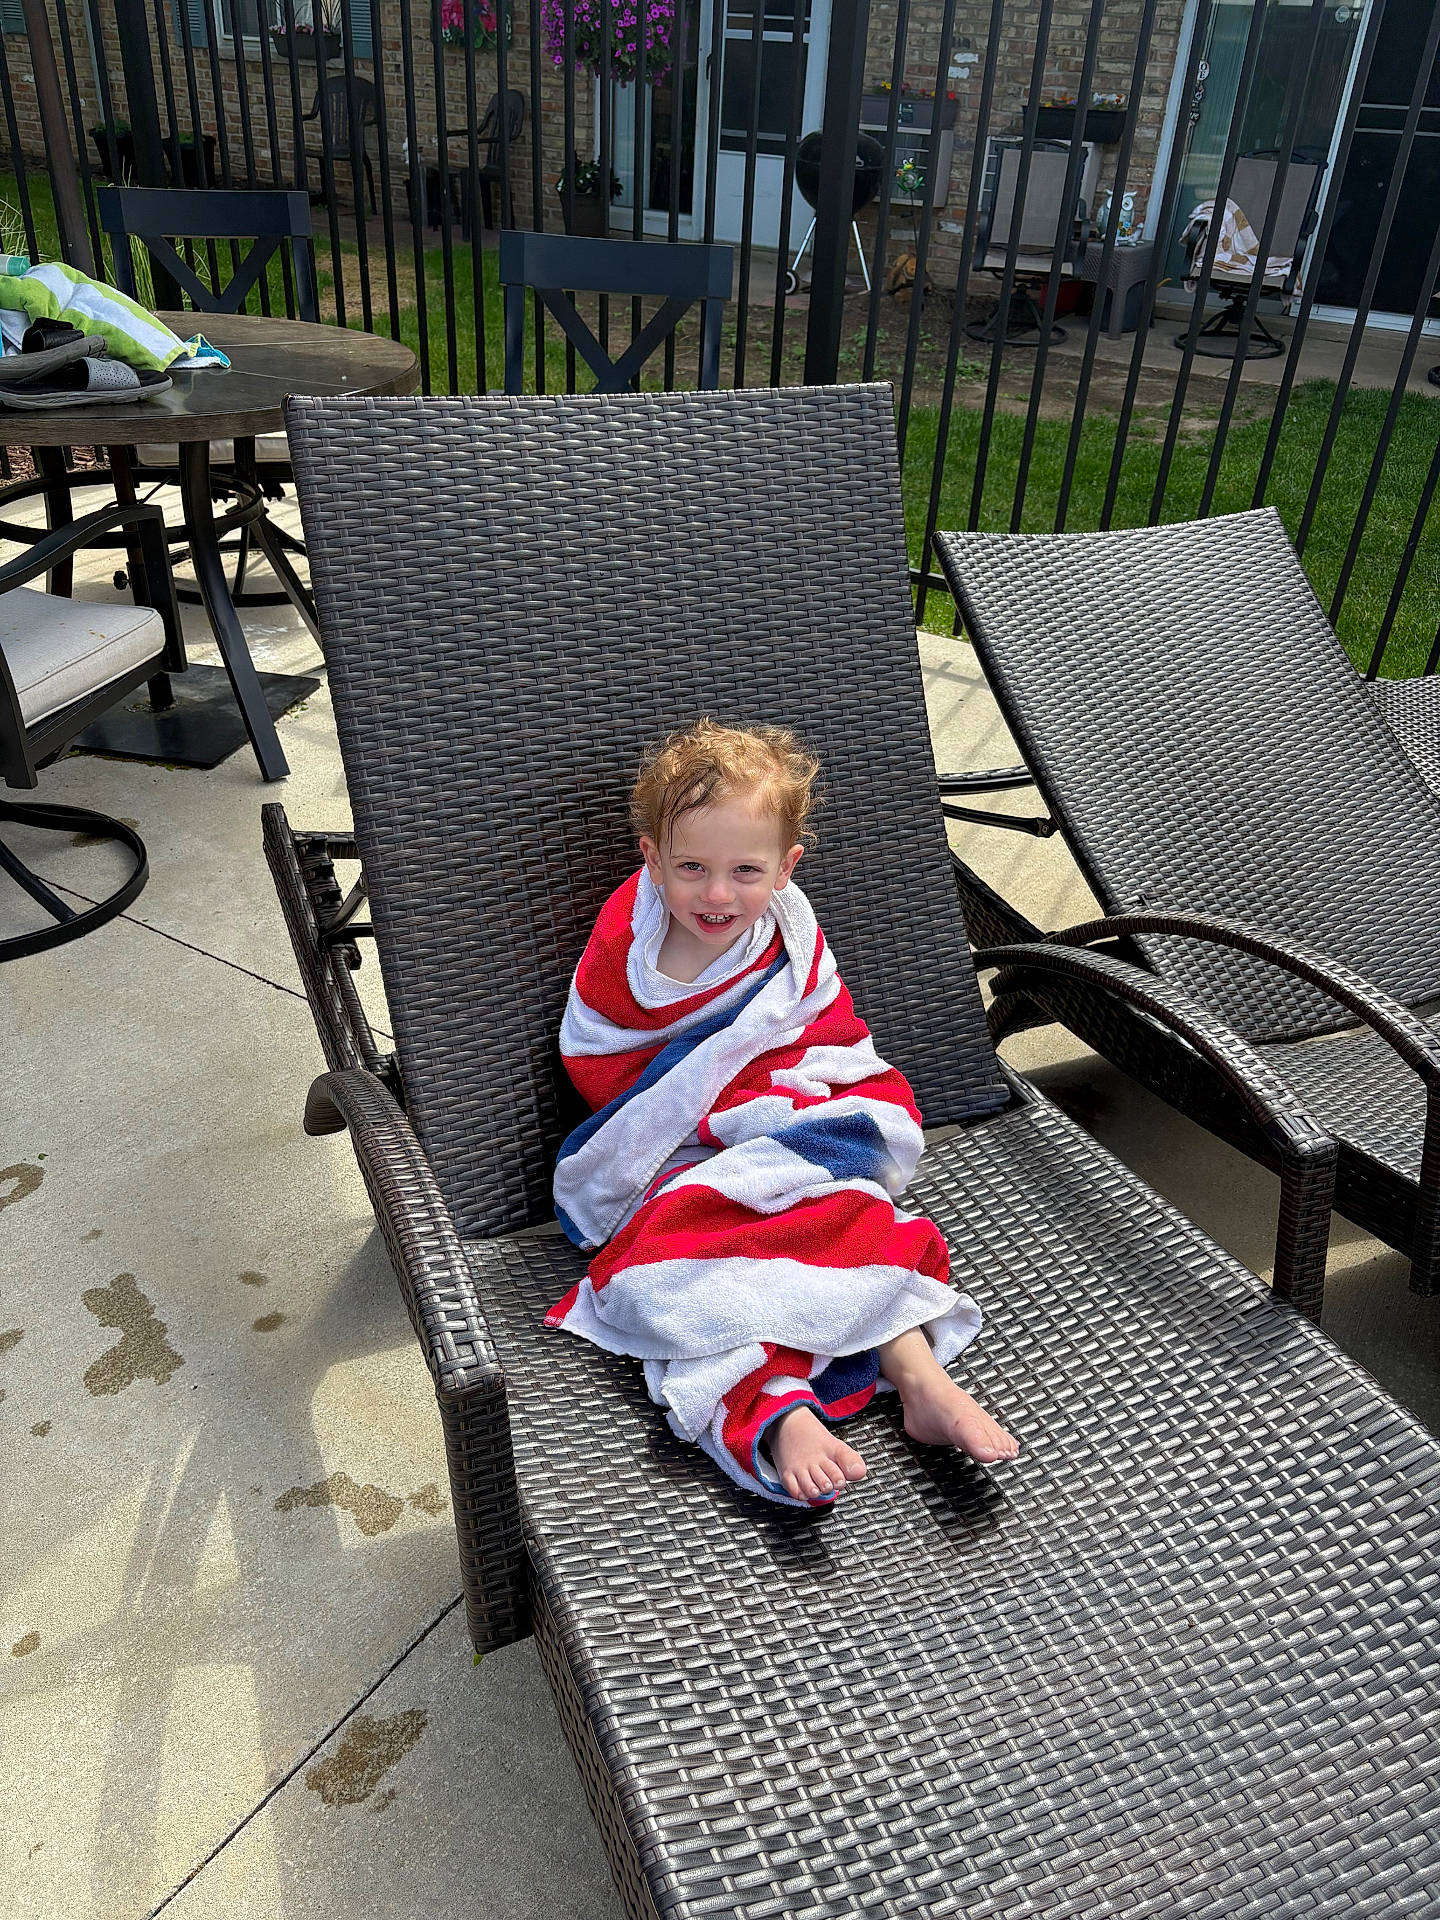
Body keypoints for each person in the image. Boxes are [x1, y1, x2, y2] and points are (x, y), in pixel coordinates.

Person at [548, 718, 1019, 1508]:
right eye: (691, 867)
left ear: (786, 868)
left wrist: (778, 1109)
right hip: (680, 1152)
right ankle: (779, 1408)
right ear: (652, 859)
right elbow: (606, 1061)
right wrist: (718, 1116)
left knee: (839, 1213)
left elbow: (822, 1033)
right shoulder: (628, 949)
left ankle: (918, 1377)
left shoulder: (790, 931)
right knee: (695, 1267)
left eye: (745, 870)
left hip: (797, 1124)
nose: (718, 894)